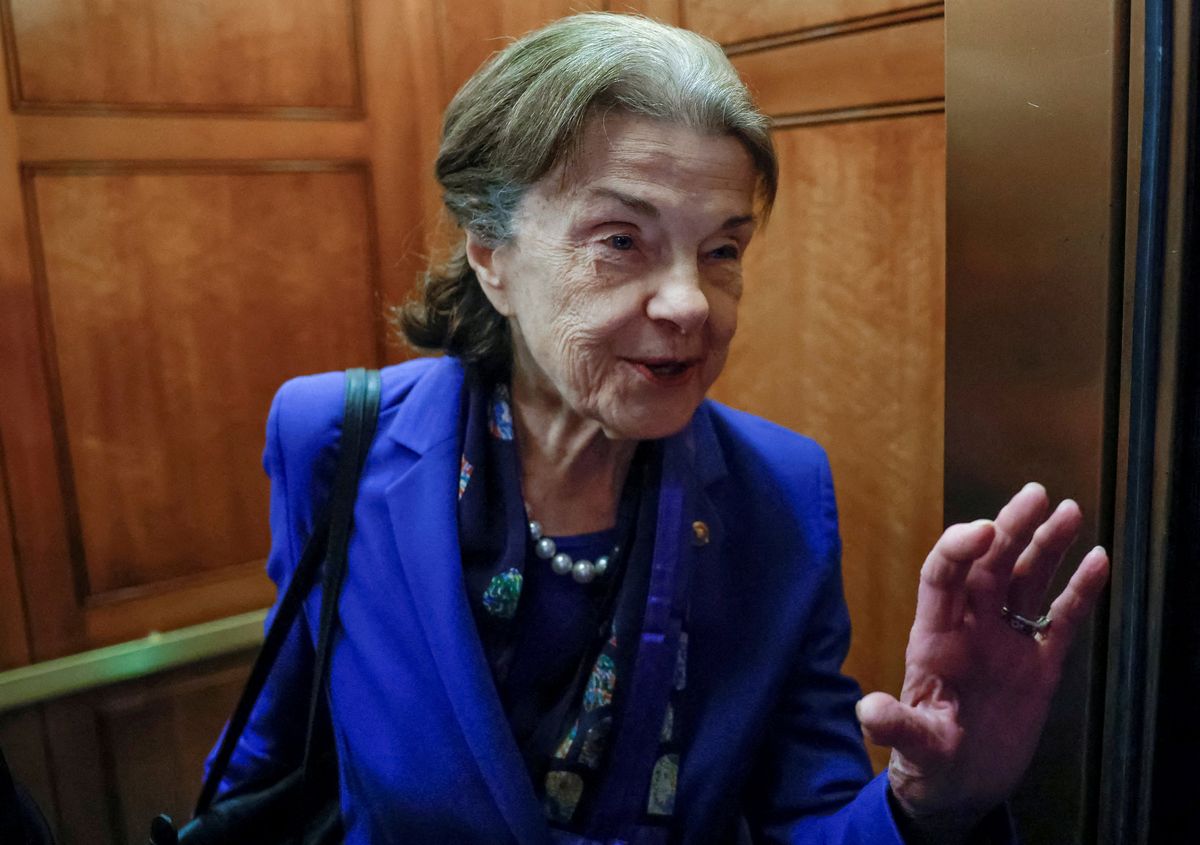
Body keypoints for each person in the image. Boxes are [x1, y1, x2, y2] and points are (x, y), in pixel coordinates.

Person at [206, 12, 1110, 844]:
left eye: (723, 250)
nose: (690, 303)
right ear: (492, 256)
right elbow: (274, 750)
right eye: (620, 240)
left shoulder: (780, 494)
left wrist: (926, 801)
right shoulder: (335, 437)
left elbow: (811, 817)